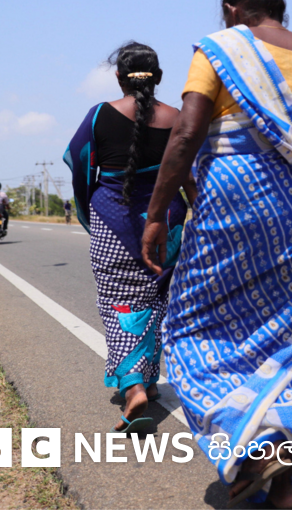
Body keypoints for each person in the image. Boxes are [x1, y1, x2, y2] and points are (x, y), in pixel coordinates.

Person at [140, 0, 292, 509]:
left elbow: (187, 132)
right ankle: (284, 479)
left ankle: (249, 441)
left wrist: (156, 213)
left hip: (231, 198)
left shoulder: (219, 48)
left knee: (195, 327)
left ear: (231, 9)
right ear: (278, 6)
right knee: (288, 331)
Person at [64, 42, 190, 434]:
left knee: (118, 303)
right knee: (156, 299)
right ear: (159, 77)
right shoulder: (178, 118)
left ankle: (133, 384)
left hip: (111, 219)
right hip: (167, 222)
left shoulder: (99, 115)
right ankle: (149, 379)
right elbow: (191, 175)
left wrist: (89, 211)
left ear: (119, 77)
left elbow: (80, 168)